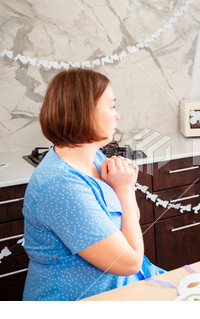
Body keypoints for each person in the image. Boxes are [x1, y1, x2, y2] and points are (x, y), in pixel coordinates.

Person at [22, 69, 165, 301]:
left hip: (118, 290)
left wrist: (124, 190)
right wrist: (125, 189)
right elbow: (129, 262)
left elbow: (128, 220)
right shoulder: (61, 185)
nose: (117, 116)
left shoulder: (94, 157)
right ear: (85, 112)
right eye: (111, 106)